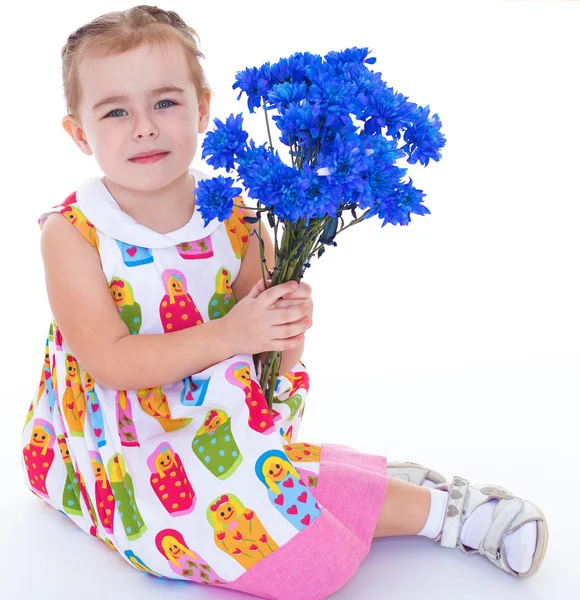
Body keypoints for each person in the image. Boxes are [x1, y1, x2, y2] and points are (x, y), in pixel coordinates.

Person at [21, 5, 548, 599]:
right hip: (126, 433)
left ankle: (451, 517)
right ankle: (399, 499)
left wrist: (284, 325)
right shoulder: (72, 233)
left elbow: (272, 363)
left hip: (220, 414)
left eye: (165, 103)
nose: (143, 126)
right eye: (115, 111)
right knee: (224, 531)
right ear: (79, 132)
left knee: (258, 492)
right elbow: (109, 361)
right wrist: (232, 334)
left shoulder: (240, 218)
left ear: (203, 108)